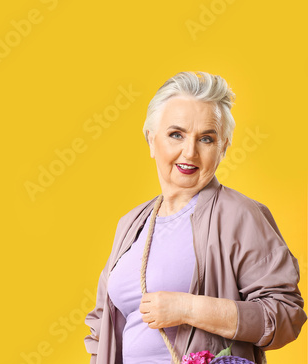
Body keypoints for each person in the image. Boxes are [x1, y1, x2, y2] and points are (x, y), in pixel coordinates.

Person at [84, 71, 306, 363]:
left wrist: (187, 309)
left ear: (223, 148)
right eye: (176, 134)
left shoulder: (240, 216)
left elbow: (285, 314)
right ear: (151, 140)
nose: (189, 152)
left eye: (206, 139)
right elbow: (102, 326)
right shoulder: (131, 223)